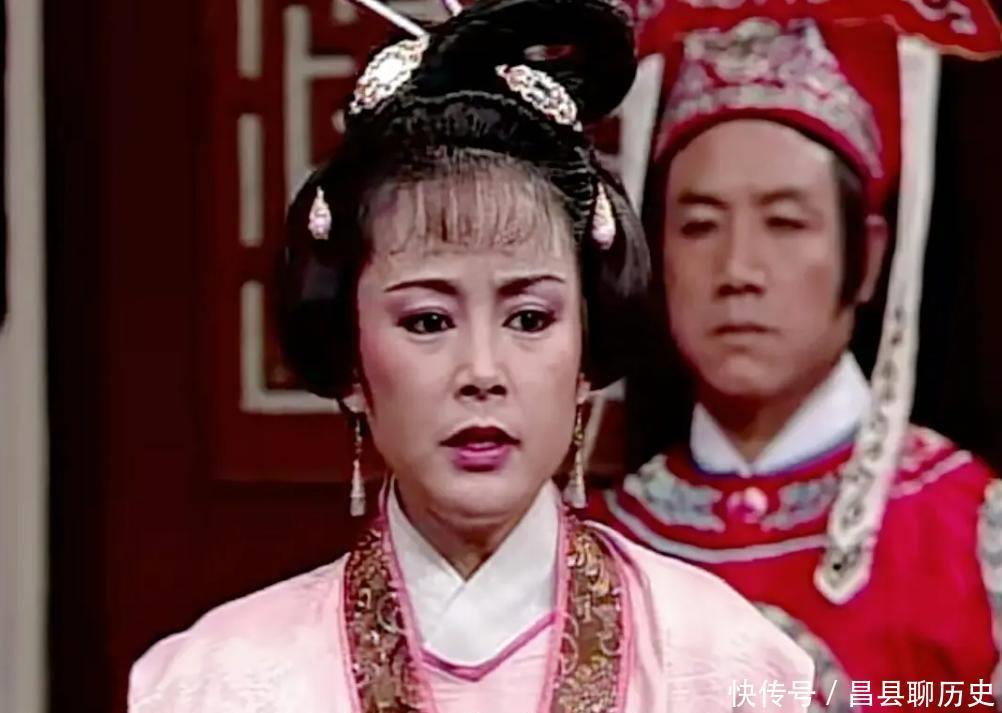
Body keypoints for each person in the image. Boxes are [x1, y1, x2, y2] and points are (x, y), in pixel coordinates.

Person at [126, 1, 814, 711]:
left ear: (585, 353)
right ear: (353, 362)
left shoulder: (725, 666)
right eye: (428, 321)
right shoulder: (216, 684)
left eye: (529, 319)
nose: (482, 372)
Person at [588, 1, 1002, 709]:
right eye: (699, 225)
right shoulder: (603, 550)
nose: (738, 269)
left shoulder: (969, 536)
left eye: (784, 222)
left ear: (867, 256)